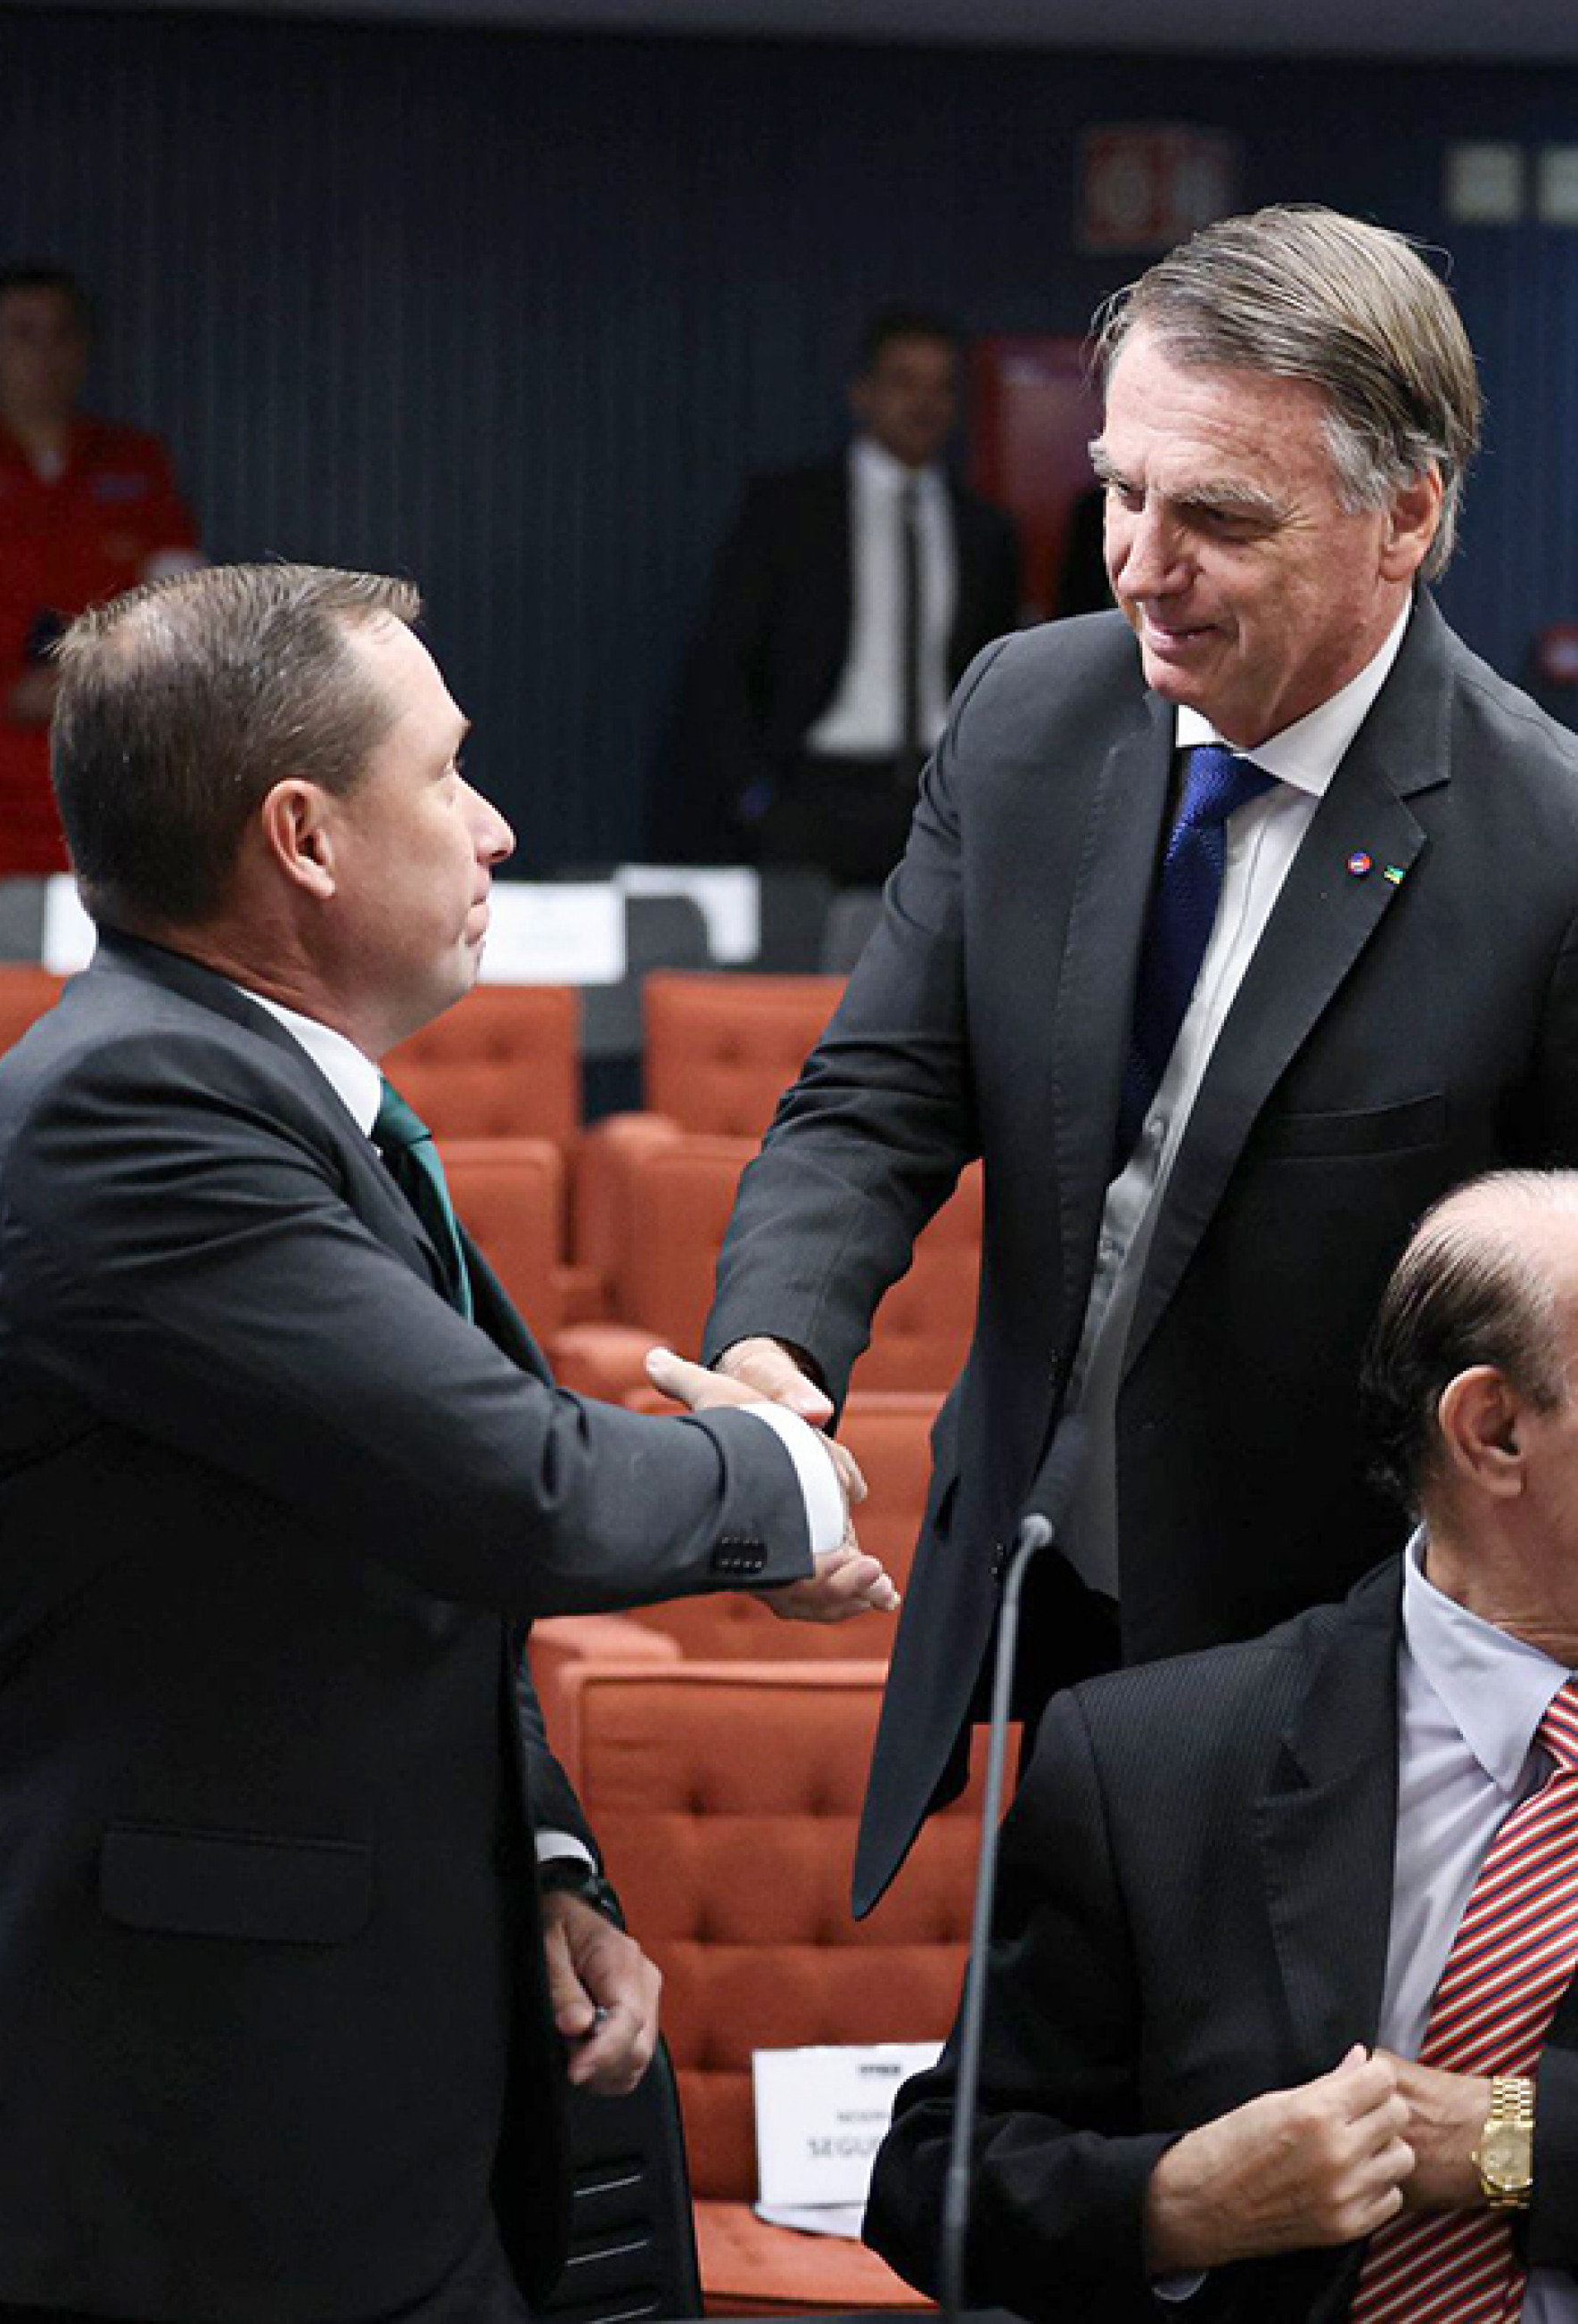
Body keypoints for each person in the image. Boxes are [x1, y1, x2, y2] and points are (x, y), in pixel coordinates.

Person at [0, 561, 895, 2322]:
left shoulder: (268, 1099)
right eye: (445, 774)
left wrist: (542, 1866)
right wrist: (783, 1475)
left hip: (315, 2125)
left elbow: (400, 1550)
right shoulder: (131, 1109)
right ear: (305, 838)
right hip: (129, 2160)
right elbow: (515, 1489)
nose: (494, 828)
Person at [694, 204, 1578, 1916]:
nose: (1137, 567)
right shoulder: (1029, 711)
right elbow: (875, 1097)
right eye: (1118, 491)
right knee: (1013, 2081)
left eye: (1217, 519)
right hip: (1023, 1590)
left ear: (1404, 516)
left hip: (1331, 1677)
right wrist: (771, 1351)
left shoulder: (1542, 849)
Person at [865, 1168, 1578, 2324]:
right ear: (1491, 1430)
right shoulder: (1154, 1757)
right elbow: (933, 2183)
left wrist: (1510, 2140)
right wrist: (1175, 2201)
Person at [0, 263, 201, 954]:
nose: (45, 354)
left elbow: (183, 596)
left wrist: (84, 670)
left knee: (124, 974)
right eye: (23, 334)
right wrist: (24, 648)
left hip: (111, 782)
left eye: (62, 334)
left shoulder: (133, 460)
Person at [666, 307, 1020, 880]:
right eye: (904, 381)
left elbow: (998, 673)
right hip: (814, 794)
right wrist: (755, 795)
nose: (924, 403)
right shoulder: (789, 510)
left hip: (940, 794)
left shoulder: (984, 529)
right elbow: (723, 662)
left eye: (942, 387)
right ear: (862, 393)